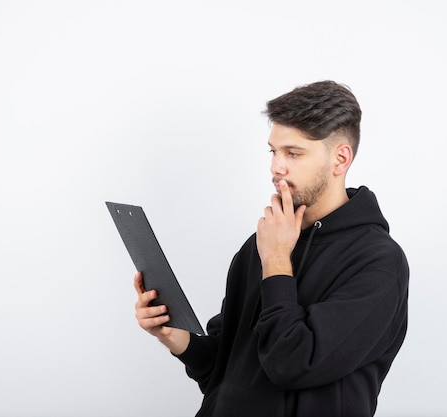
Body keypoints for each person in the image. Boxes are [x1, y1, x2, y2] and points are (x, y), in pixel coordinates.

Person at [133, 80, 409, 417]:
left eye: (293, 153)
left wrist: (277, 262)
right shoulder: (261, 245)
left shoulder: (378, 262)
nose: (276, 166)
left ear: (340, 159)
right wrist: (177, 338)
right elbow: (223, 371)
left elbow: (293, 364)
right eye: (273, 151)